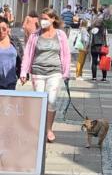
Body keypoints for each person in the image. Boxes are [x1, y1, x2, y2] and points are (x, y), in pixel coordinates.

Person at [20, 9, 70, 142]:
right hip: (38, 72)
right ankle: (38, 129)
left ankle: (48, 129)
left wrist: (66, 72)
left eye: (45, 18)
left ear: (53, 19)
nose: (43, 21)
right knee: (38, 102)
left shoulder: (61, 35)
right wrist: (24, 71)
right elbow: (28, 55)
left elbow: (66, 54)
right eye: (42, 18)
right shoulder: (35, 35)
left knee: (51, 101)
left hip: (55, 72)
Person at [0, 18, 20, 90]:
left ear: (8, 28)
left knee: (8, 101)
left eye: (4, 29)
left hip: (11, 81)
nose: (1, 31)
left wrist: (23, 73)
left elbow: (21, 57)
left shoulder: (14, 40)